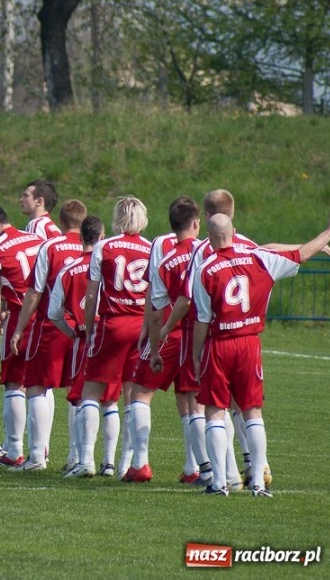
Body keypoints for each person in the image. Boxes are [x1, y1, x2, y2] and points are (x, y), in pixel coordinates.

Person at [192, 212, 330, 497]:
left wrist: (197, 357)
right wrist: (329, 232)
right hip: (248, 344)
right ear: (234, 232)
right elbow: (301, 254)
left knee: (214, 411)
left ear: (209, 238)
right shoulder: (259, 259)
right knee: (252, 411)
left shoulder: (205, 269)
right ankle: (258, 480)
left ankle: (220, 482)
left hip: (219, 344)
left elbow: (202, 320)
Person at [67, 196, 150, 478]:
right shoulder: (152, 249)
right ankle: (129, 463)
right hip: (141, 325)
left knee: (91, 390)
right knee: (132, 395)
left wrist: (90, 327)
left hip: (113, 322)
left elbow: (92, 294)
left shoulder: (105, 246)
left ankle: (87, 460)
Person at [126, 197, 203, 483]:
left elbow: (154, 293)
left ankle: (140, 463)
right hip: (198, 330)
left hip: (169, 325)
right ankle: (194, 468)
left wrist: (149, 327)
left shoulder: (160, 245)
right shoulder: (206, 248)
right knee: (191, 397)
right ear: (197, 222)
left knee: (140, 393)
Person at [9, 199, 87, 471]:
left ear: (61, 221)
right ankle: (77, 458)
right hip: (83, 325)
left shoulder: (50, 246)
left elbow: (34, 291)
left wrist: (19, 329)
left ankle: (37, 457)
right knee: (77, 391)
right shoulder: (94, 248)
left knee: (38, 386)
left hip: (52, 325)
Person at [0, 204, 44, 468]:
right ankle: (41, 449)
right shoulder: (36, 240)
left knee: (14, 383)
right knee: (41, 382)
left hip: (20, 317)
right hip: (44, 316)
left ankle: (14, 451)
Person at [48, 215, 105, 472]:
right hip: (109, 336)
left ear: (81, 238)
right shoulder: (109, 266)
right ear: (102, 237)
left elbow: (53, 313)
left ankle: (79, 459)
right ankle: (115, 463)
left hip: (83, 338)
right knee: (115, 401)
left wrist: (71, 333)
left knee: (80, 398)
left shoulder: (68, 270)